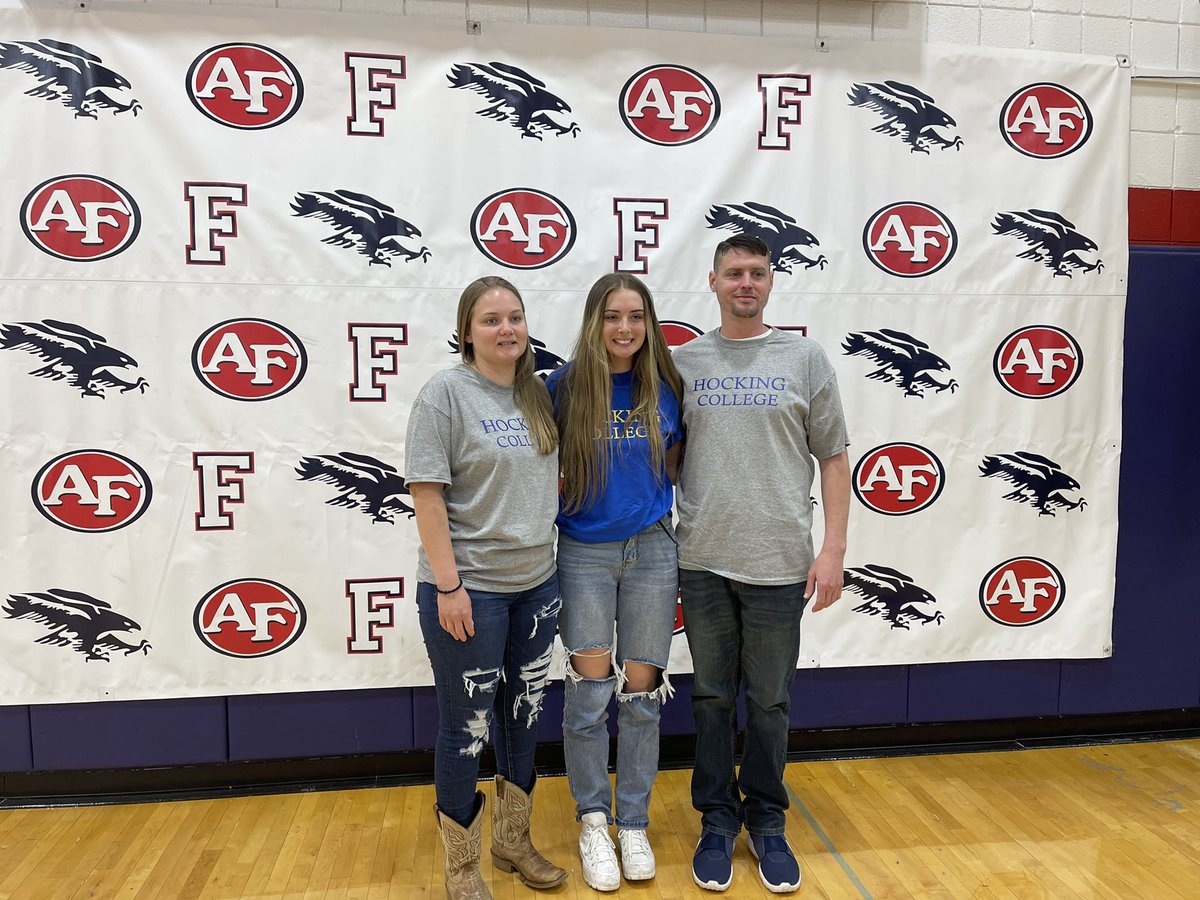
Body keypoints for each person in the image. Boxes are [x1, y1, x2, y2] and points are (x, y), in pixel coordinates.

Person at [672, 235, 851, 894]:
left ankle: (768, 821)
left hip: (779, 562)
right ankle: (718, 821)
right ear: (713, 282)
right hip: (704, 560)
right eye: (733, 273)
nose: (745, 282)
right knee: (714, 699)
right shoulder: (684, 362)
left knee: (770, 703)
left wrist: (832, 549)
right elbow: (668, 459)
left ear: (770, 282)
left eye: (756, 272)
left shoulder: (804, 358)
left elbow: (833, 457)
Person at [405, 276, 567, 900]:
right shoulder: (445, 394)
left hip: (537, 585)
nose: (506, 329)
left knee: (523, 719)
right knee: (466, 727)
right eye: (491, 319)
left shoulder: (538, 395)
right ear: (467, 330)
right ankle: (462, 868)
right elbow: (426, 492)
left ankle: (512, 842)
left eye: (515, 317)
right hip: (468, 590)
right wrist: (449, 586)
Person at [547, 273, 683, 892]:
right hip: (584, 553)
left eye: (635, 315)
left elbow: (675, 465)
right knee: (587, 695)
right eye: (611, 316)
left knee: (641, 696)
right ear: (592, 321)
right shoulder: (562, 388)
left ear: (648, 322)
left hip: (653, 551)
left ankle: (633, 822)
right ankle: (593, 820)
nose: (624, 328)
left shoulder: (666, 384)